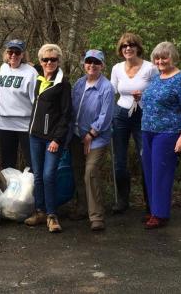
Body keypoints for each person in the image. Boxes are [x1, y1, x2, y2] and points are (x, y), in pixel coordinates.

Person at [141, 42, 181, 229]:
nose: (160, 61)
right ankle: (154, 209)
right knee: (149, 172)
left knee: (161, 173)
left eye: (164, 57)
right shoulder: (157, 77)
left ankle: (160, 214)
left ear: (173, 58)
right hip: (147, 131)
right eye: (157, 57)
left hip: (168, 133)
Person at [25, 44, 71, 233]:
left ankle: (52, 215)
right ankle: (40, 211)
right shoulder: (38, 79)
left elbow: (66, 114)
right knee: (37, 175)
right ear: (40, 62)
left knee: (48, 175)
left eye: (53, 59)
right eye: (45, 59)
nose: (49, 62)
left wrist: (57, 139)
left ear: (58, 61)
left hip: (52, 139)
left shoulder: (63, 84)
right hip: (35, 136)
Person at [110, 33, 158, 214]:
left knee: (145, 158)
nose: (127, 48)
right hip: (121, 114)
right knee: (119, 161)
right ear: (120, 50)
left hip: (143, 115)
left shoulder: (150, 68)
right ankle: (123, 200)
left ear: (138, 47)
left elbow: (157, 93)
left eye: (131, 45)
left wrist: (144, 96)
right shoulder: (116, 68)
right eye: (124, 46)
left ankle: (151, 202)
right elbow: (110, 92)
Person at [70, 50, 114, 231]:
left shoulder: (107, 87)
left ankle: (96, 216)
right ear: (84, 63)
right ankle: (82, 208)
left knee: (91, 171)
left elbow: (106, 115)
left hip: (97, 137)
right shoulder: (79, 83)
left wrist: (91, 133)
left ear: (102, 65)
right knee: (78, 171)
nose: (92, 65)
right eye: (89, 62)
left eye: (96, 62)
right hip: (76, 135)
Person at [0, 39, 38, 170]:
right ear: (6, 53)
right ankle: (9, 189)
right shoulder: (3, 68)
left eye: (17, 52)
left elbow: (35, 100)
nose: (13, 55)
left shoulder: (31, 72)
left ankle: (31, 189)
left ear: (23, 54)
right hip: (4, 123)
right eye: (10, 52)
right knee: (7, 163)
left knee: (31, 161)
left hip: (24, 124)